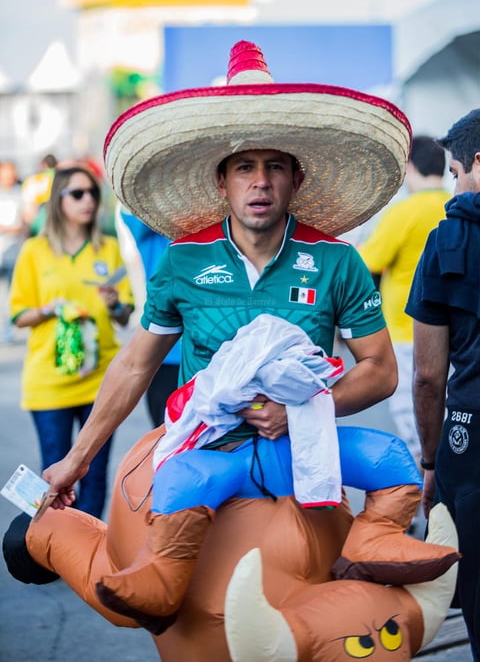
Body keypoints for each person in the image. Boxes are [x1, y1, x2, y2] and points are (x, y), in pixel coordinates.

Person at [40, 41, 456, 633]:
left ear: (295, 179)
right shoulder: (183, 261)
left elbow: (382, 371)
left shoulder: (337, 260)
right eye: (244, 168)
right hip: (210, 450)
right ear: (223, 182)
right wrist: (75, 460)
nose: (259, 182)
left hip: (307, 453)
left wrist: (302, 407)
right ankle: (152, 576)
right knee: (177, 484)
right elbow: (134, 368)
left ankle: (375, 543)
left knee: (393, 462)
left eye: (274, 167)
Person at [9, 165, 135, 519]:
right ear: (57, 200)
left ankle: (88, 549)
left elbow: (125, 315)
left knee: (94, 473)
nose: (88, 201)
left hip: (101, 382)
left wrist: (114, 304)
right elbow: (18, 316)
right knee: (54, 469)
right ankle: (49, 544)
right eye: (77, 193)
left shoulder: (107, 249)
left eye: (93, 193)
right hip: (49, 382)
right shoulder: (34, 251)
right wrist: (50, 309)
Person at [406, 108, 480, 662]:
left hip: (470, 443)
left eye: (456, 172)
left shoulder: (448, 242)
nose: (453, 183)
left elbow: (429, 375)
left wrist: (430, 463)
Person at [358, 136, 450, 465]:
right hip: (452, 330)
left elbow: (367, 262)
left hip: (404, 328)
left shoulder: (404, 212)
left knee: (411, 414)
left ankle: (420, 488)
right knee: (446, 407)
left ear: (410, 168)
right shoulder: (456, 206)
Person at [118, 208, 181, 427]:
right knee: (165, 441)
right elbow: (131, 202)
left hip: (212, 355)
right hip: (165, 356)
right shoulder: (152, 231)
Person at [0, 160, 27, 343]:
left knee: (11, 290)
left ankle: (9, 325)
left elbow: (25, 222)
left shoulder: (20, 194)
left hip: (14, 250)